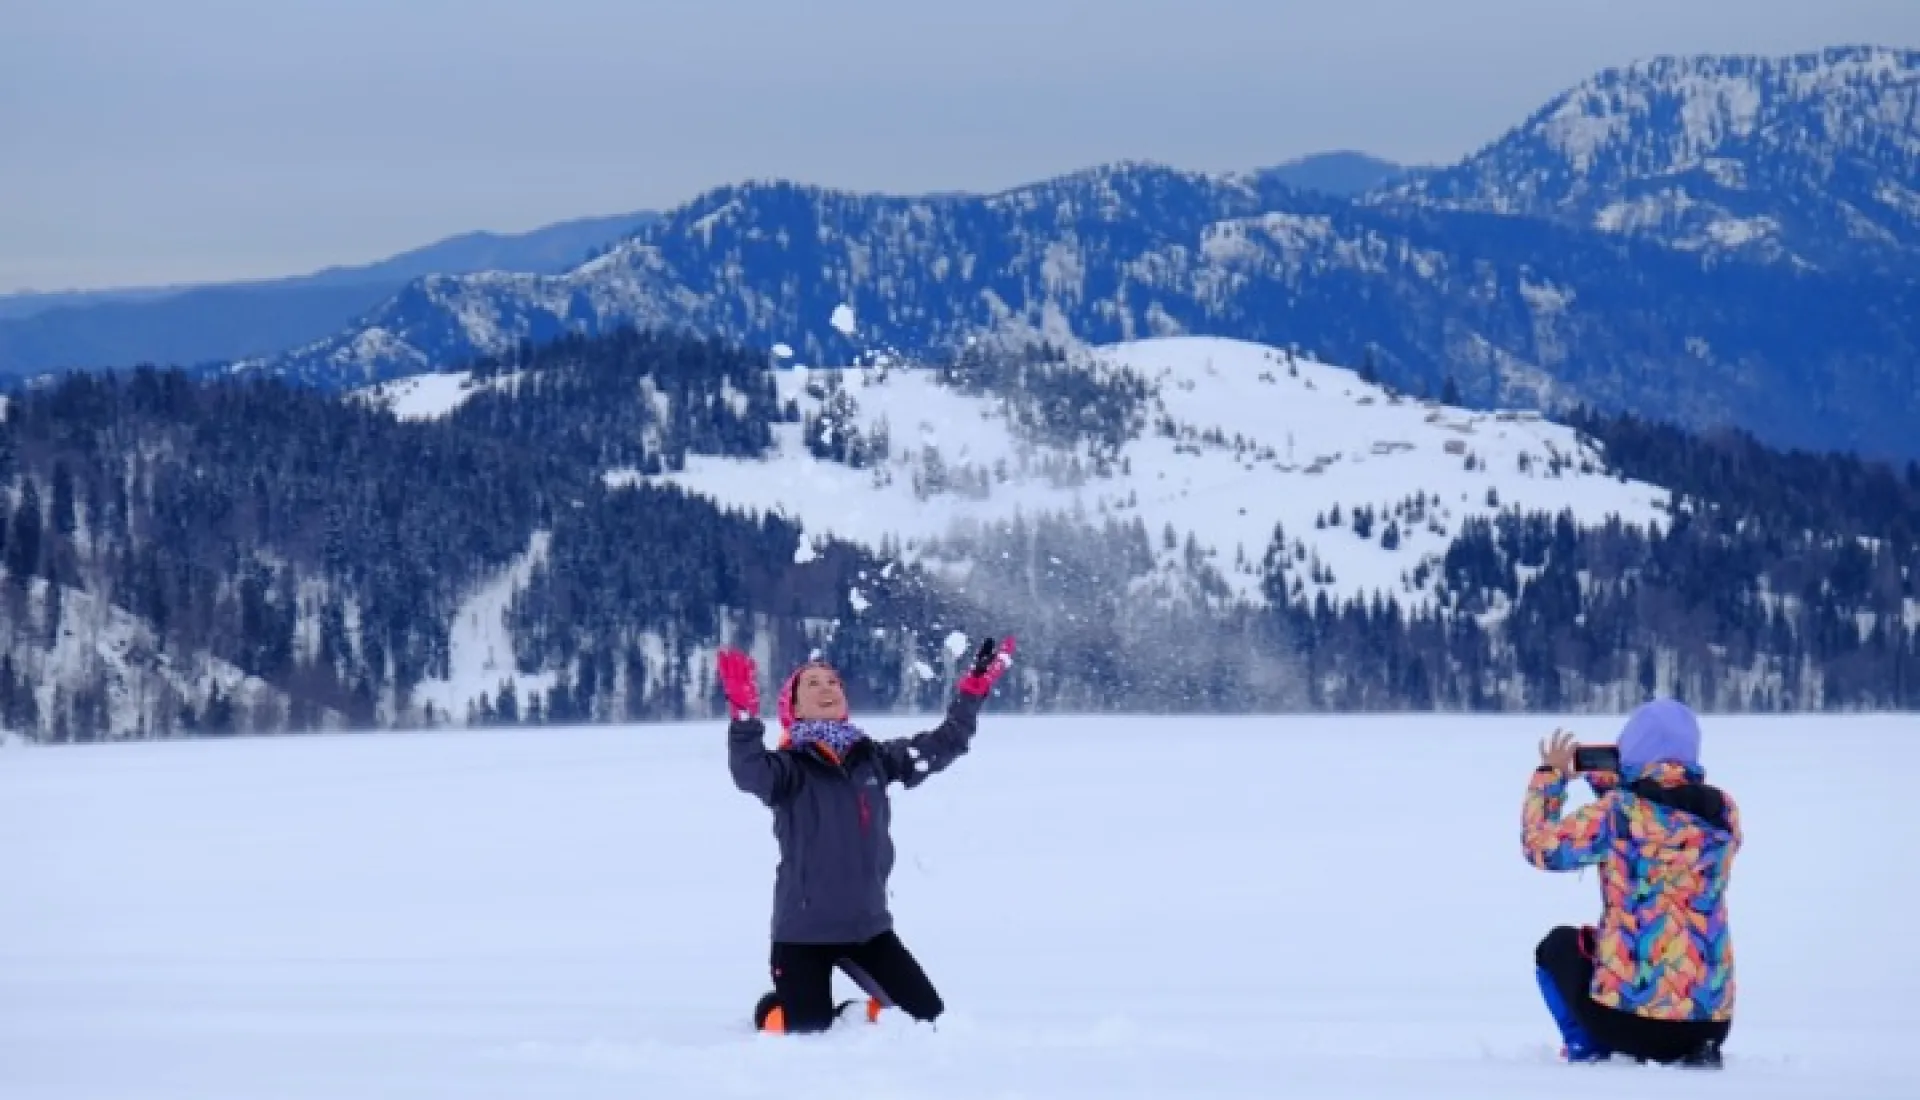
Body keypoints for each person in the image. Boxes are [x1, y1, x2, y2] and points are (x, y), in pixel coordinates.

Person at [717, 635, 1016, 1035]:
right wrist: (743, 719)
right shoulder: (787, 769)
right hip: (804, 932)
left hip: (868, 929)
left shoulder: (873, 758)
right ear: (794, 708)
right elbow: (748, 772)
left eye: (833, 682)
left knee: (927, 1018)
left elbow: (946, 743)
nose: (827, 688)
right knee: (803, 1026)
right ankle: (775, 1004)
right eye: (813, 683)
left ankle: (860, 1011)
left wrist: (972, 692)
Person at [1522, 698, 1740, 1068]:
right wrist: (1616, 785)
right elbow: (1658, 824)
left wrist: (1550, 777)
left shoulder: (1616, 814)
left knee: (1557, 946)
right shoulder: (1722, 812)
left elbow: (1540, 848)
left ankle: (1588, 1046)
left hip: (1630, 1023)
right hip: (1709, 1026)